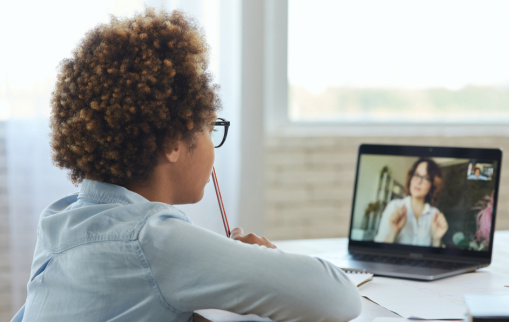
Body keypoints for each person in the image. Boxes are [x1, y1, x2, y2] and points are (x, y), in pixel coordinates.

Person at [11, 9, 360, 322]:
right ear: (172, 142)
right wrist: (266, 261)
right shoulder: (154, 239)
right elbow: (339, 298)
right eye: (210, 127)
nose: (212, 143)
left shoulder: (59, 220)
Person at [374, 158, 448, 247]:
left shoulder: (434, 214)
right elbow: (378, 250)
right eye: (416, 175)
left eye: (426, 178)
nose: (419, 181)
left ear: (433, 185)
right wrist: (393, 233)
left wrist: (436, 239)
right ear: (411, 177)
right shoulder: (394, 206)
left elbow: (435, 257)